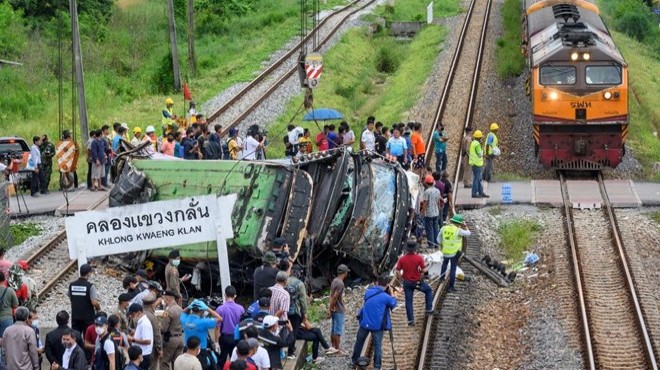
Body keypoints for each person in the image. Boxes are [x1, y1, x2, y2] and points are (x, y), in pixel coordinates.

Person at [351, 274, 397, 370]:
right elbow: (393, 304)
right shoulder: (386, 297)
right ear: (387, 284)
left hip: (365, 323)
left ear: (377, 282)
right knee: (377, 346)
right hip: (377, 326)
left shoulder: (368, 292)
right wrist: (392, 293)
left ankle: (355, 360)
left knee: (359, 341)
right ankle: (377, 367)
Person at [396, 241, 434, 326]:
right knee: (428, 291)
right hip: (417, 282)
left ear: (407, 249)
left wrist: (401, 278)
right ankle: (428, 309)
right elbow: (424, 270)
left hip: (407, 283)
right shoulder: (419, 258)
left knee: (408, 301)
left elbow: (397, 270)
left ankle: (410, 320)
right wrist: (421, 272)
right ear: (415, 249)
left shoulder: (402, 258)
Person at [439, 214, 471, 292]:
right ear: (459, 223)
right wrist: (465, 226)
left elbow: (438, 240)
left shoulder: (443, 228)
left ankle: (441, 279)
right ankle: (451, 287)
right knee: (453, 268)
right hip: (454, 253)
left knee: (444, 264)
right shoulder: (458, 230)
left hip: (445, 251)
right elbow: (468, 233)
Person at [216, 286, 244, 367]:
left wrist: (216, 341)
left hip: (224, 338)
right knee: (235, 362)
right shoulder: (241, 308)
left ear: (225, 295)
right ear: (235, 296)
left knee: (221, 361)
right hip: (236, 337)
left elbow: (217, 327)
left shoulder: (220, 309)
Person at [68, 263, 100, 334]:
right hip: (88, 318)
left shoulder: (72, 285)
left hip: (75, 316)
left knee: (75, 338)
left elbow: (71, 298)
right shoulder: (90, 286)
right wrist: (98, 307)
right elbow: (94, 302)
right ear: (88, 273)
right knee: (87, 339)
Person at [285, 265, 307, 358]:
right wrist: (304, 313)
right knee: (293, 331)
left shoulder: (284, 281)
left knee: (283, 330)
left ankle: (283, 350)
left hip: (284, 310)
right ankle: (290, 351)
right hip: (295, 311)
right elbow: (303, 300)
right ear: (298, 273)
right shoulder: (300, 284)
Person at [159, 290, 184, 370]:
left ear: (168, 298)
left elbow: (163, 328)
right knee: (177, 364)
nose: (163, 300)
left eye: (164, 298)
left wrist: (158, 326)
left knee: (164, 362)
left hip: (170, 339)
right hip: (180, 338)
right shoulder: (180, 309)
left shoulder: (168, 311)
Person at [328, 264, 349, 355]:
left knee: (333, 328)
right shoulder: (340, 283)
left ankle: (333, 347)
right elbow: (335, 296)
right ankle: (337, 349)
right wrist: (332, 307)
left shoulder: (334, 280)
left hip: (334, 308)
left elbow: (331, 295)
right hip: (338, 309)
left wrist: (330, 307)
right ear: (345, 273)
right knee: (338, 329)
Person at [127, 303, 153, 369]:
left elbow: (148, 341)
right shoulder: (141, 322)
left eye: (132, 314)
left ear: (138, 313)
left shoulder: (145, 324)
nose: (131, 316)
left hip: (143, 355)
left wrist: (132, 339)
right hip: (140, 355)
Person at [142, 294, 163, 370]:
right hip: (150, 348)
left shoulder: (138, 314)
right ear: (152, 304)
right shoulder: (152, 316)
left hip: (139, 346)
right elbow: (157, 334)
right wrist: (159, 349)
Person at [421, 175, 441, 248]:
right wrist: (438, 210)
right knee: (436, 228)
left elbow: (425, 203)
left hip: (429, 213)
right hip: (436, 212)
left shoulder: (427, 192)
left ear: (426, 183)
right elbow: (438, 202)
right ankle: (437, 243)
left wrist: (422, 212)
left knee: (429, 229)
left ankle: (431, 244)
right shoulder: (437, 190)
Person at [469, 130, 489, 198]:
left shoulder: (473, 142)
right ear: (479, 138)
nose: (481, 138)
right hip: (477, 164)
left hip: (474, 163)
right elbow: (480, 155)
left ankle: (481, 192)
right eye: (480, 137)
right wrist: (483, 150)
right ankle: (474, 193)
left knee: (479, 179)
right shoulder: (477, 144)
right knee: (476, 179)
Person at [0, 270, 17, 339]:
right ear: (4, 280)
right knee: (6, 340)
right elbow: (15, 305)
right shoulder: (10, 290)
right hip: (7, 318)